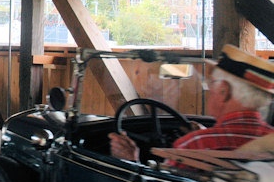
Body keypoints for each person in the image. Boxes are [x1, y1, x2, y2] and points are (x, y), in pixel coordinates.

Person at [109, 44, 274, 163]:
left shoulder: (195, 145)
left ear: (224, 91)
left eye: (212, 84)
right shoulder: (270, 141)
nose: (209, 90)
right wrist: (207, 132)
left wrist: (131, 160)